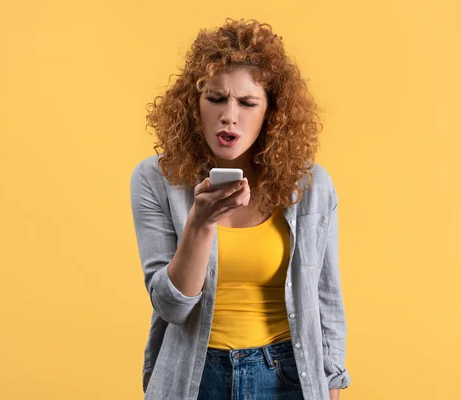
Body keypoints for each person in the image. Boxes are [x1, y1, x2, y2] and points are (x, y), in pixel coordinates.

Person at [130, 18, 350, 400]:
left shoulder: (311, 185)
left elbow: (326, 297)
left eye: (247, 102)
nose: (230, 116)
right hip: (193, 377)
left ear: (271, 112)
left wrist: (331, 385)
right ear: (193, 104)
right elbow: (170, 306)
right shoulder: (157, 179)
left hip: (288, 376)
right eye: (215, 98)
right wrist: (199, 223)